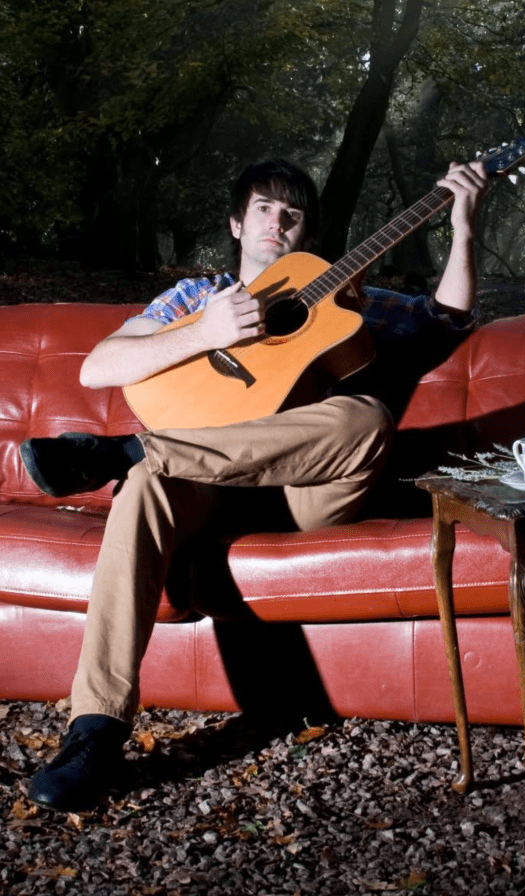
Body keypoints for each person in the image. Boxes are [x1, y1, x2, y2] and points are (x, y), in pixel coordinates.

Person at [19, 156, 488, 812]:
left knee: (364, 417)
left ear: (307, 233)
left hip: (307, 496)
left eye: (293, 211)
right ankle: (95, 726)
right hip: (203, 488)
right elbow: (102, 366)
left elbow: (447, 320)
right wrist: (202, 333)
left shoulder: (339, 297)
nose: (279, 220)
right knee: (146, 489)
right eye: (265, 207)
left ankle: (132, 449)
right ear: (238, 224)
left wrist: (463, 221)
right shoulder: (194, 298)